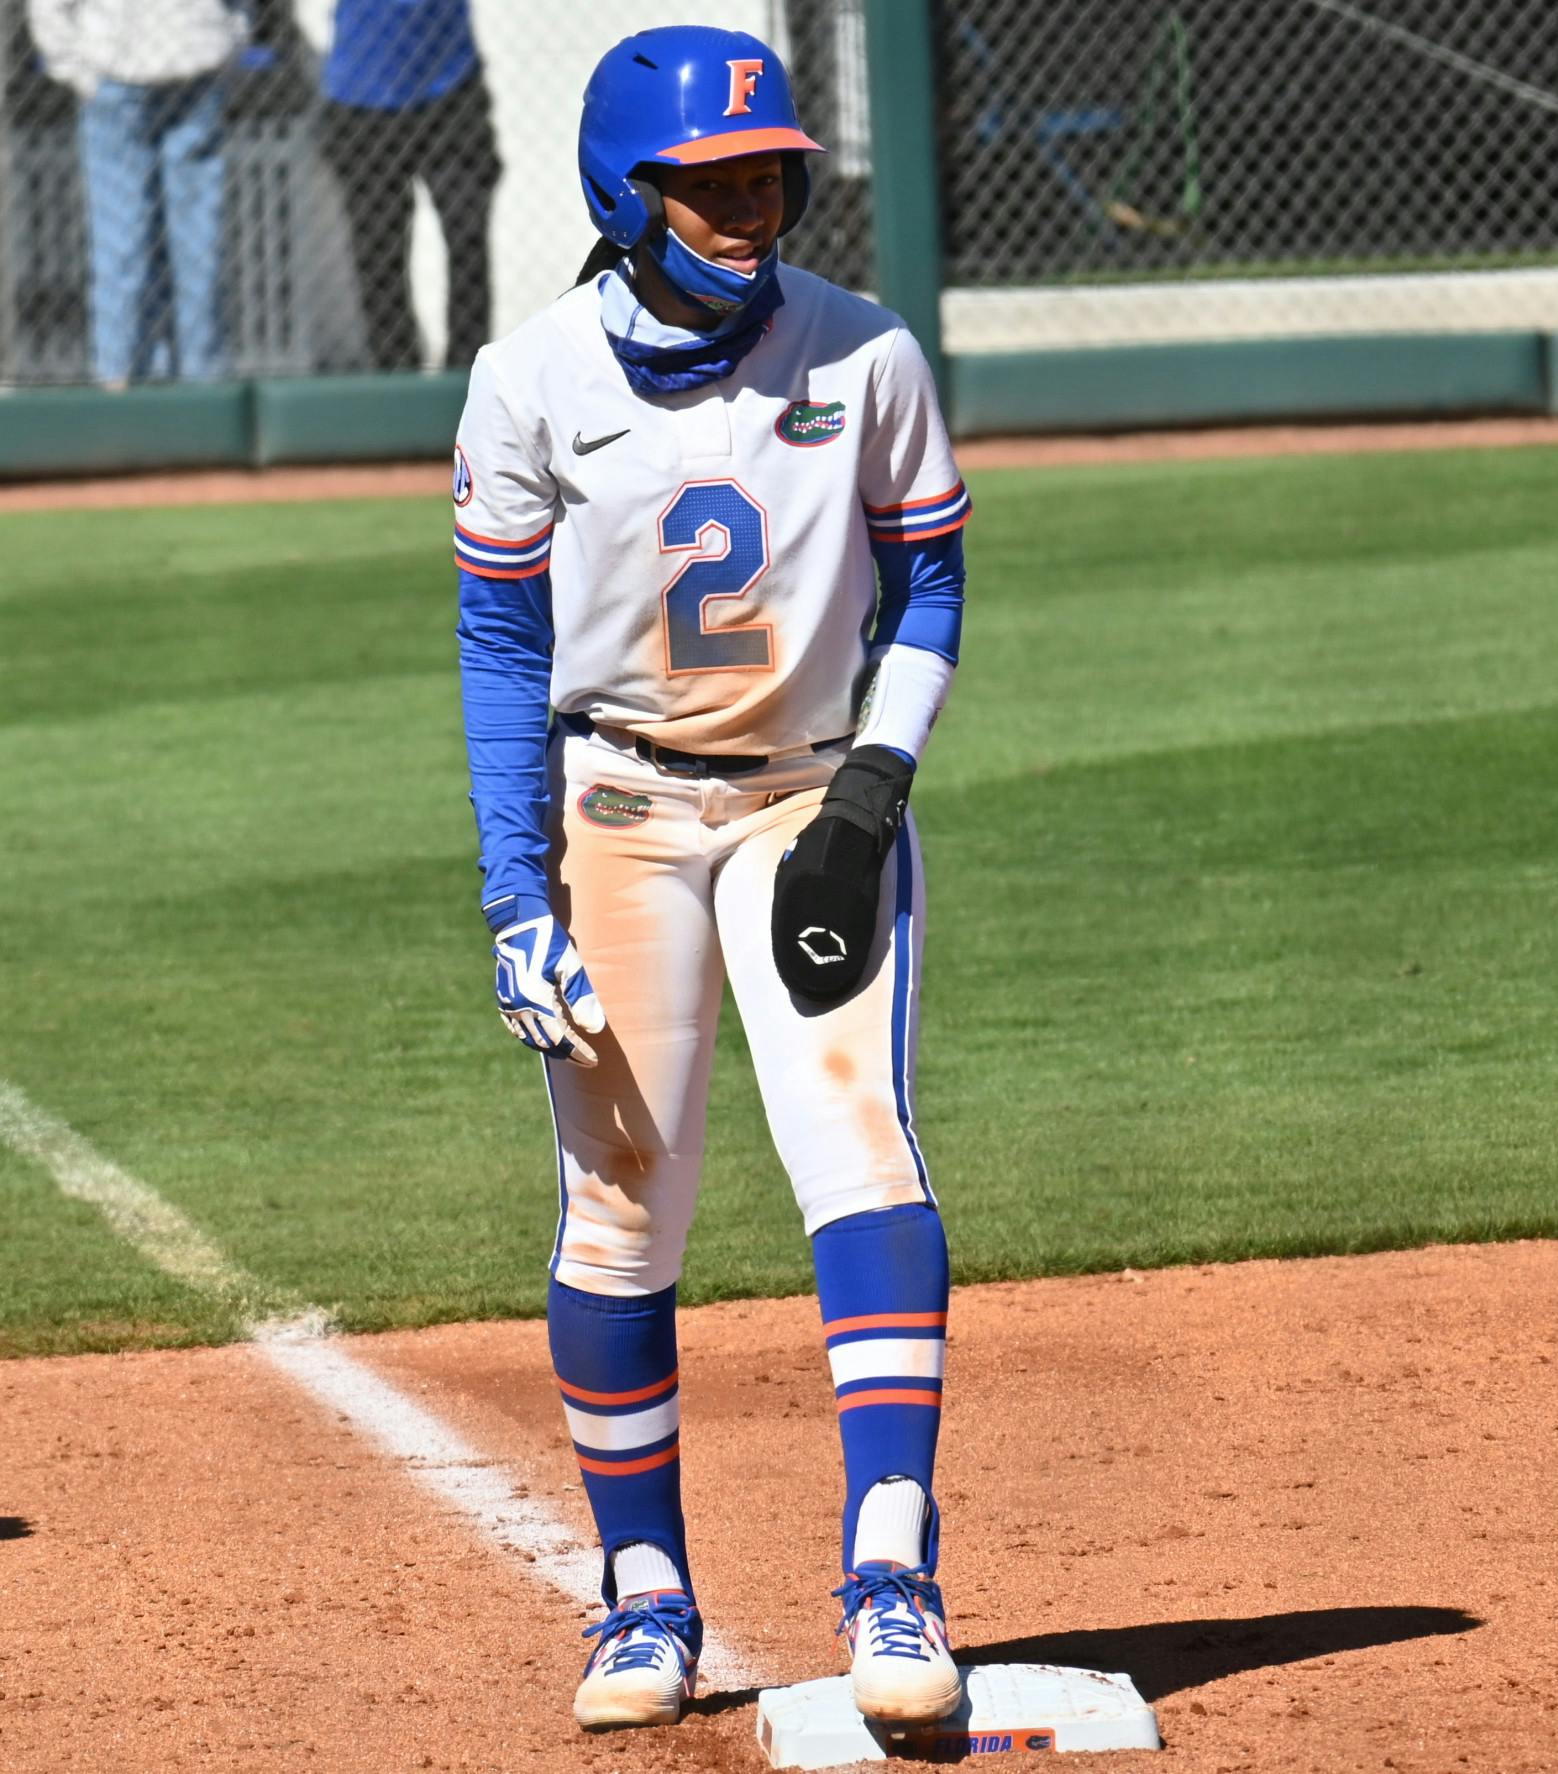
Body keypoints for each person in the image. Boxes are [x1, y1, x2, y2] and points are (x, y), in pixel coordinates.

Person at [452, 25, 971, 1735]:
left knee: (860, 1145)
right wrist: (515, 889)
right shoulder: (529, 382)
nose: (751, 207)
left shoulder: (868, 353)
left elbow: (934, 589)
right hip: (620, 815)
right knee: (623, 1202)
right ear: (627, 190)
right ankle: (643, 1593)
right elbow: (497, 641)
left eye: (770, 175)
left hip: (814, 804)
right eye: (711, 180)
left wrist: (872, 796)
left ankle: (894, 1562)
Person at [27, 0, 246, 385]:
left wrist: (72, 65)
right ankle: (202, 389)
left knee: (122, 238)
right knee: (196, 239)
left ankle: (120, 383)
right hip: (193, 53)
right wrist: (230, 38)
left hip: (123, 61)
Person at [320, 0, 499, 368]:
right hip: (361, 93)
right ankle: (396, 380)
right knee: (377, 252)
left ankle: (467, 379)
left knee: (465, 232)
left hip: (450, 84)